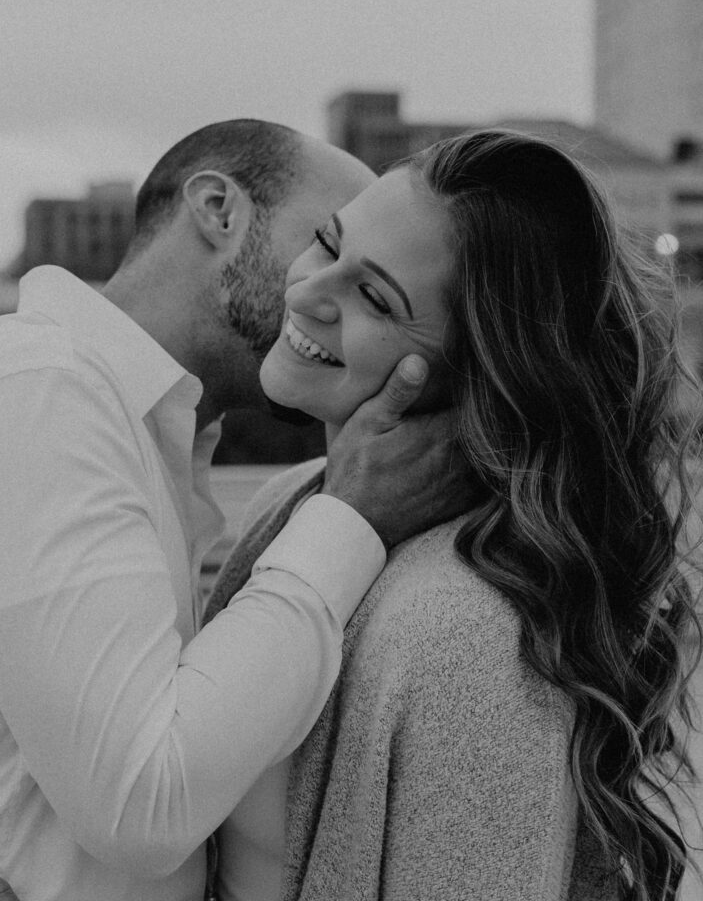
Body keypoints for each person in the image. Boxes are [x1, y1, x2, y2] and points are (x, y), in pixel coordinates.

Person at [205, 129, 702, 901]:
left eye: (373, 297)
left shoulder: (463, 635)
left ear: (480, 370)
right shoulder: (296, 506)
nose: (305, 292)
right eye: (325, 243)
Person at [0, 119, 465, 901]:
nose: (324, 291)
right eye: (323, 240)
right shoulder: (44, 389)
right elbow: (141, 805)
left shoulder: (143, 431)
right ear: (218, 208)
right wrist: (348, 519)